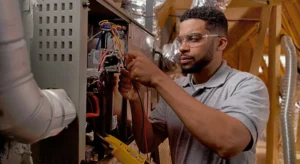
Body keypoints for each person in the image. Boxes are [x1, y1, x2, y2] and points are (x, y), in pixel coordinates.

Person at [118, 6, 270, 164]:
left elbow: (228, 143)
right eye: (181, 40)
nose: (182, 48)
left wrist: (158, 78)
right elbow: (147, 143)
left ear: (221, 43)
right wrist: (135, 100)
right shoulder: (175, 87)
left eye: (194, 39)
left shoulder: (247, 85)